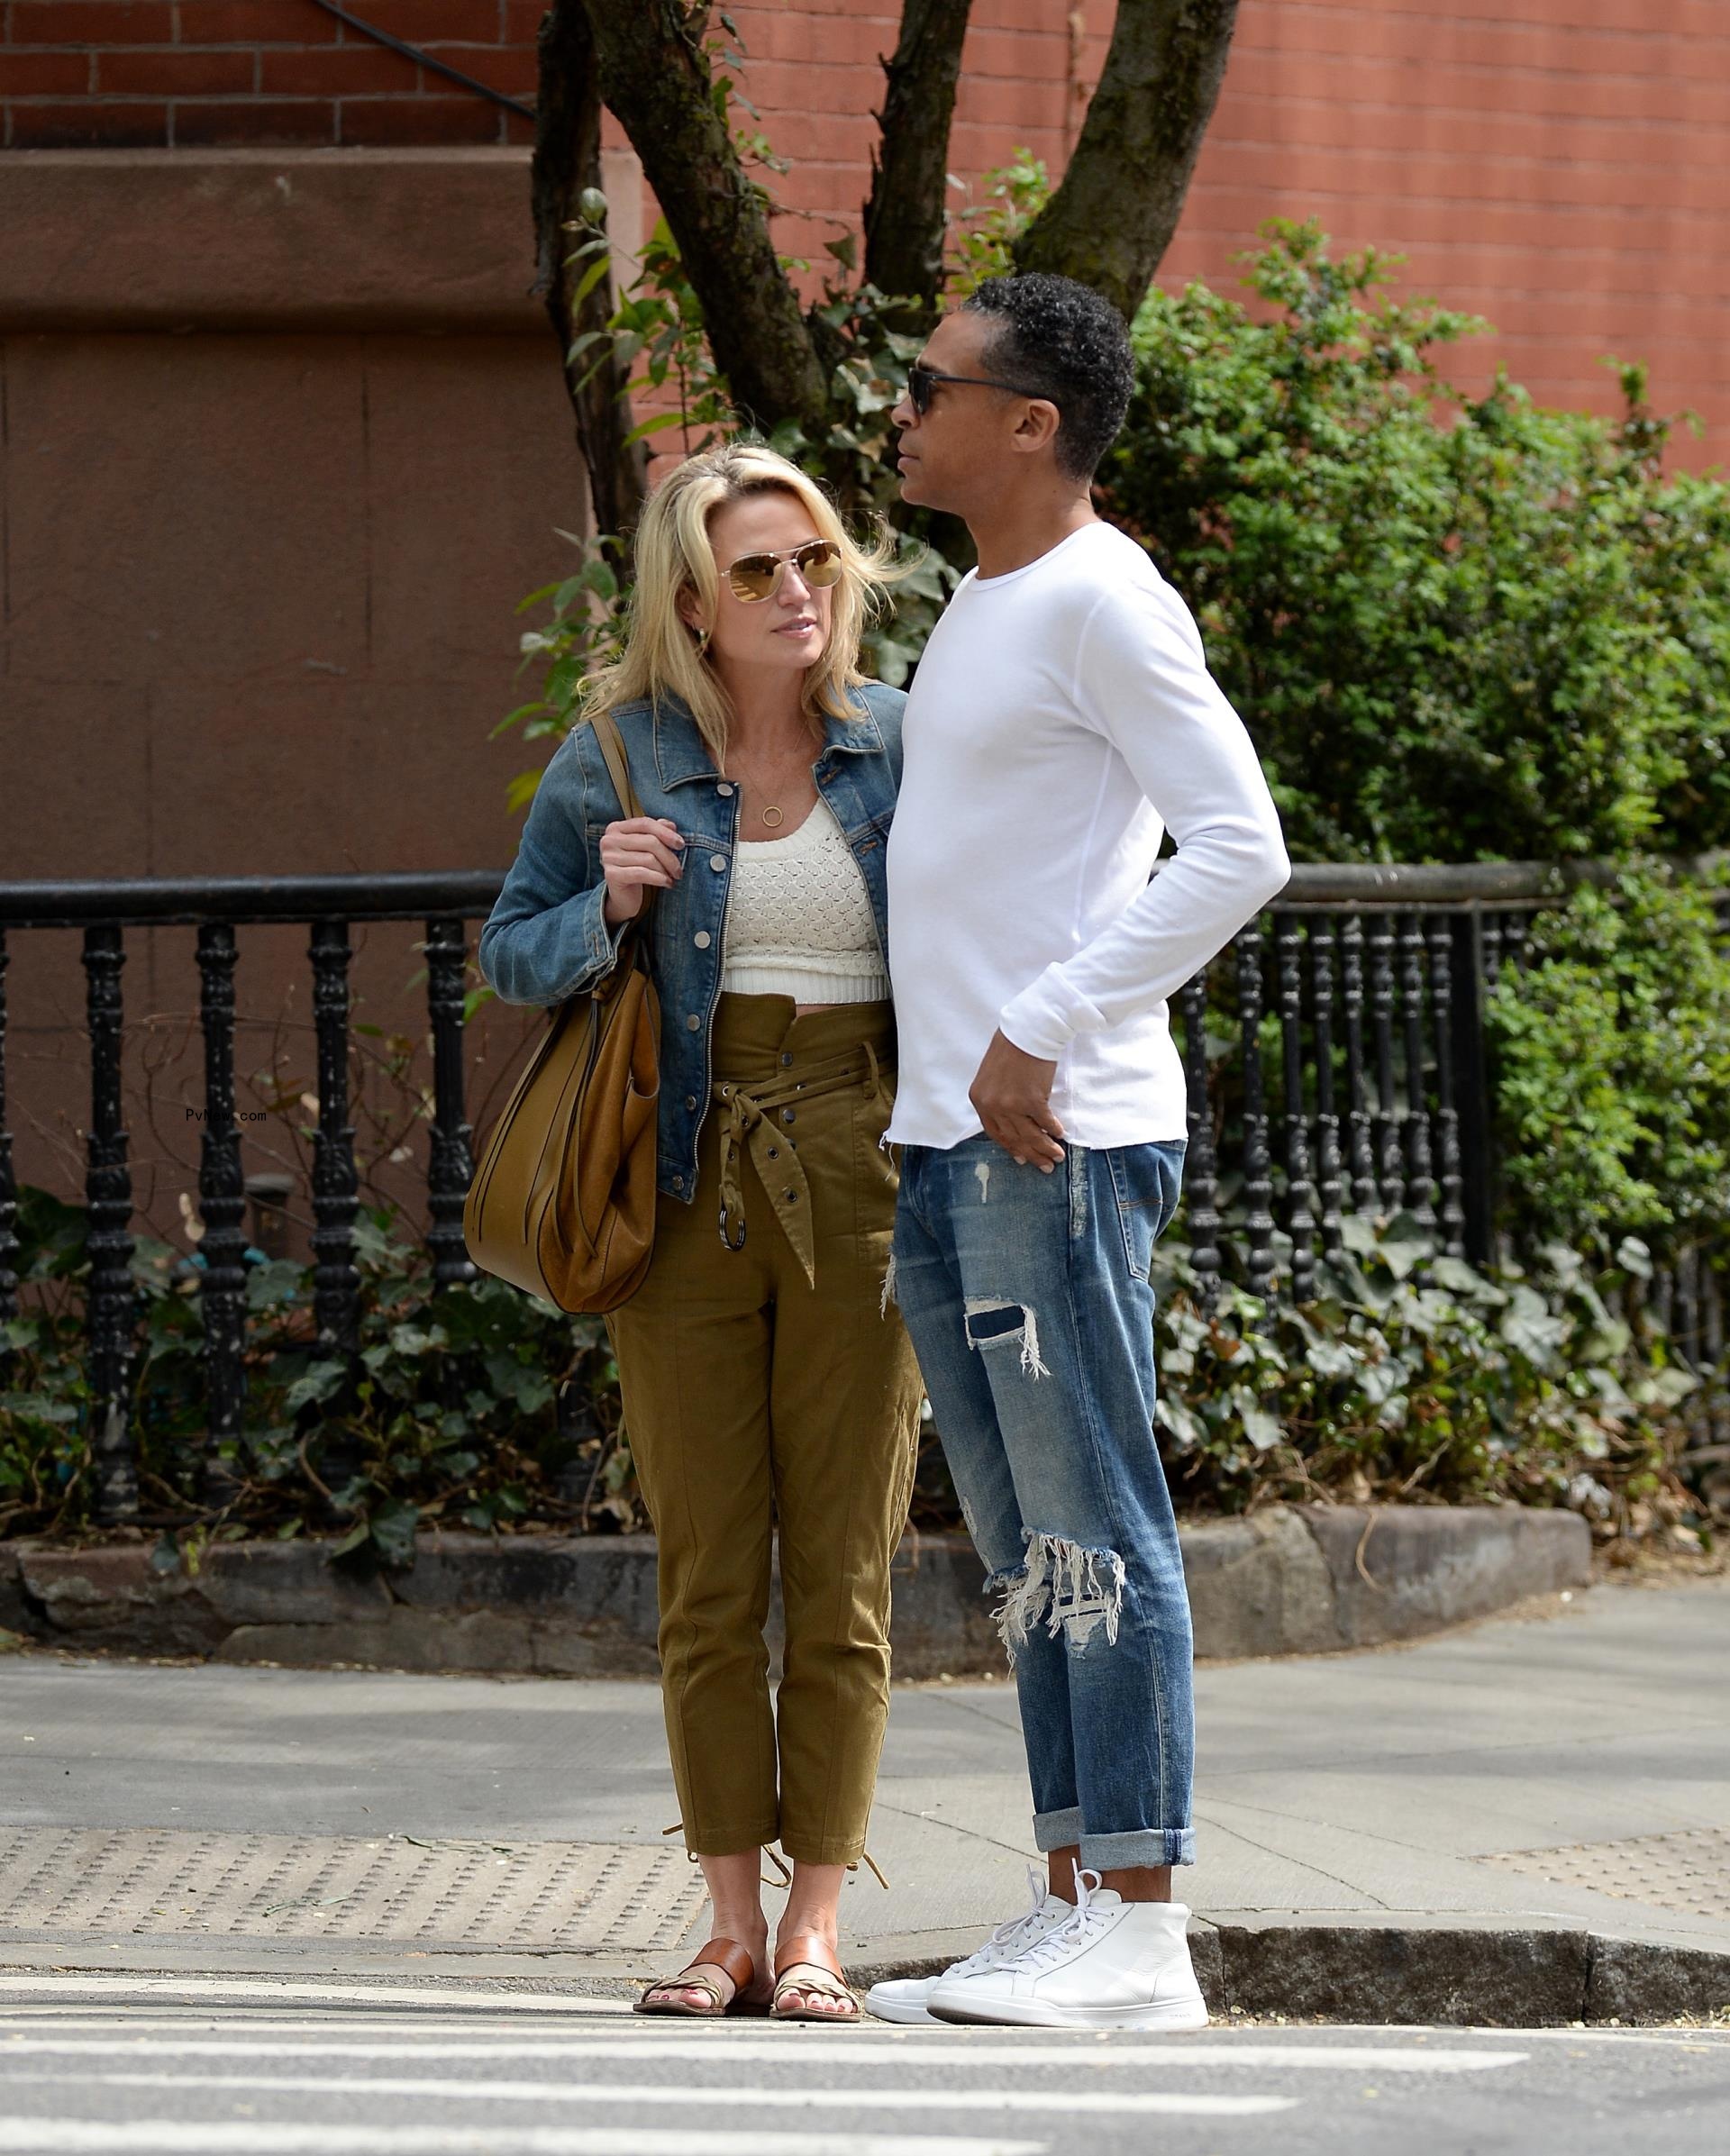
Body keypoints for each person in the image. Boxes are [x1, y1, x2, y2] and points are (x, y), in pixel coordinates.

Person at [865, 274, 1289, 2031]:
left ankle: (1141, 1915)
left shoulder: (1107, 599)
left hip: (1057, 1135)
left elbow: (1240, 843)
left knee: (1095, 1521)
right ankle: (1065, 1902)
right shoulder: (984, 600)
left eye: (927, 382)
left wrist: (1045, 1022)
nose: (899, 408)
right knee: (1032, 1540)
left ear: (1028, 423)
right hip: (953, 1143)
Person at [479, 443, 923, 2023]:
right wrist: (597, 900)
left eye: (815, 562)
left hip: (863, 1167)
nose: (800, 591)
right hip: (681, 1178)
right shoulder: (616, 754)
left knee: (850, 1564)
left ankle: (817, 1926)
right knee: (712, 1570)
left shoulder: (898, 747)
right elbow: (509, 955)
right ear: (692, 597)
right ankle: (726, 1923)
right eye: (760, 571)